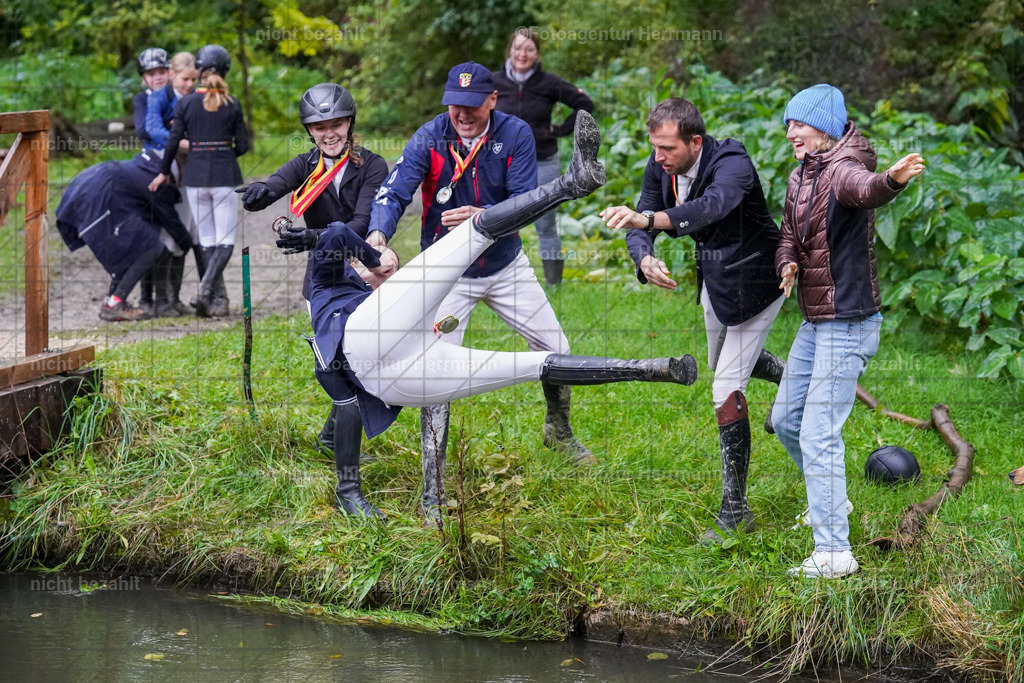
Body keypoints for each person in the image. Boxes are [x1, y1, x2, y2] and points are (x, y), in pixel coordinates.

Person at [285, 111, 697, 519]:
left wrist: (376, 263)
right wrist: (370, 258)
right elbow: (339, 235)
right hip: (376, 361)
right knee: (479, 270)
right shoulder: (326, 287)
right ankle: (409, 496)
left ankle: (653, 367)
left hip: (412, 354)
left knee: (539, 360)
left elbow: (352, 242)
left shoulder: (381, 293)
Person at [366, 61, 594, 521]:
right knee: (434, 376)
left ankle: (559, 429)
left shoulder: (516, 134)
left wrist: (482, 214)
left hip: (504, 263)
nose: (462, 114)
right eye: (455, 104)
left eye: (472, 105)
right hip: (448, 273)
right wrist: (377, 238)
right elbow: (395, 192)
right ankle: (433, 492)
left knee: (558, 351)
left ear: (493, 100)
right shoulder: (431, 135)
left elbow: (524, 201)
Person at [600, 97, 787, 543]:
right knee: (722, 360)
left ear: (695, 141)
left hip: (762, 280)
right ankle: (790, 376)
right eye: (655, 148)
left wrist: (649, 218)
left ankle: (735, 511)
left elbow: (713, 206)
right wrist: (644, 258)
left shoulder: (732, 161)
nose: (658, 157)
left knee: (725, 385)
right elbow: (639, 222)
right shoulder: (660, 165)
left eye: (667, 148)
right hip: (717, 281)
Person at [771, 84, 925, 579]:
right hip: (817, 319)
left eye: (799, 123)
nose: (790, 132)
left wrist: (893, 180)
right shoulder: (801, 176)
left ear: (825, 127)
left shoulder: (842, 167)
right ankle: (831, 503)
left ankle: (835, 553)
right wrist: (788, 262)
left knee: (819, 432)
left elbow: (866, 188)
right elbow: (789, 235)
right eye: (789, 124)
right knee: (787, 421)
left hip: (849, 321)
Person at [240, 83, 388, 498]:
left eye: (336, 124)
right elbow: (275, 184)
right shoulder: (306, 164)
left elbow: (360, 225)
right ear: (309, 130)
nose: (329, 133)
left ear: (350, 124)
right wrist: (259, 194)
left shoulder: (373, 166)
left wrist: (312, 237)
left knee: (359, 361)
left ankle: (332, 436)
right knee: (344, 365)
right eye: (319, 126)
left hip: (363, 271)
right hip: (321, 283)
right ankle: (338, 449)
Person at [149, 44, 248, 318]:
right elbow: (243, 146)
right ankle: (206, 291)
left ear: (200, 71)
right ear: (226, 71)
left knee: (205, 240)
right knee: (224, 240)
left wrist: (162, 170)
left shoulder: (186, 103)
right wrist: (223, 151)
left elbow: (172, 141)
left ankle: (210, 297)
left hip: (194, 178)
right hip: (224, 177)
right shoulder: (233, 103)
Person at [492, 28, 595, 286]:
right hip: (502, 163)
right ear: (510, 50)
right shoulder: (494, 82)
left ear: (536, 54)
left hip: (543, 160)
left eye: (529, 49)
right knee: (495, 219)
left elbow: (586, 104)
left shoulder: (549, 82)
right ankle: (494, 277)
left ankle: (553, 285)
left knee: (545, 225)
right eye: (518, 48)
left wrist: (560, 130)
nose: (522, 54)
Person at [55, 150, 192, 322]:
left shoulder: (150, 166)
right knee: (151, 247)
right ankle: (115, 304)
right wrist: (189, 244)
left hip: (92, 185)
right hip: (98, 194)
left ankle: (111, 301)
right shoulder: (159, 180)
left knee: (137, 246)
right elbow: (171, 221)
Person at [141, 51, 199, 317]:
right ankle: (159, 299)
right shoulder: (159, 97)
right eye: (184, 79)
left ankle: (173, 298)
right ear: (174, 75)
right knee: (165, 229)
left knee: (185, 227)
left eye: (193, 80)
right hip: (162, 165)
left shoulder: (197, 97)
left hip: (191, 170)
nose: (189, 84)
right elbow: (152, 129)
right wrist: (183, 141)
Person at [133, 48, 169, 153]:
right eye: (151, 74)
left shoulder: (178, 94)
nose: (157, 78)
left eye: (162, 72)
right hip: (154, 151)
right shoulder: (142, 98)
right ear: (144, 78)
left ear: (170, 73)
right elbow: (142, 130)